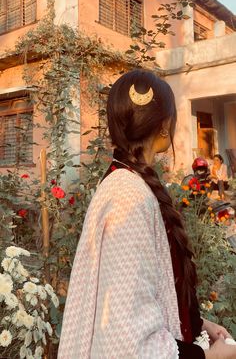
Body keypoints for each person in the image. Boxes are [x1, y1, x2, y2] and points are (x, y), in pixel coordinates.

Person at [58, 70, 236, 359]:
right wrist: (212, 356)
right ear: (165, 125)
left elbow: (150, 292)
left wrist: (199, 324)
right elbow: (130, 342)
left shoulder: (132, 182)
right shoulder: (129, 195)